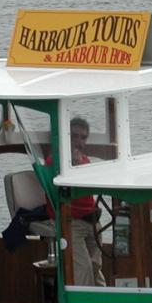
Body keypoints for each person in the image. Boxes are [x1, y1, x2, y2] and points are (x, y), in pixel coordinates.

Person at [63, 116, 105, 286]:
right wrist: (73, 167)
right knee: (83, 268)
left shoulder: (86, 161)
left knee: (96, 266)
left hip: (92, 220)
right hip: (72, 221)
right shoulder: (55, 161)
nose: (78, 142)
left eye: (83, 137)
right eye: (74, 136)